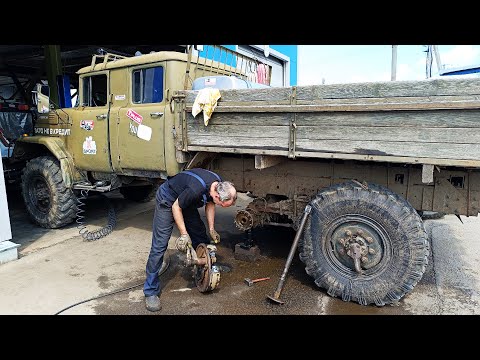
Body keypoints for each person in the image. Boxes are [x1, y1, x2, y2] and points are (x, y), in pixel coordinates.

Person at [143, 167, 237, 312]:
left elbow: (210, 203)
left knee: (201, 235)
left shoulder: (217, 183)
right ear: (218, 196)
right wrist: (184, 234)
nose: (220, 206)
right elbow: (176, 207)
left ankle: (205, 267)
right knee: (159, 245)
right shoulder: (196, 189)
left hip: (186, 201)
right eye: (222, 205)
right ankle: (150, 291)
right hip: (169, 200)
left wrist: (211, 229)